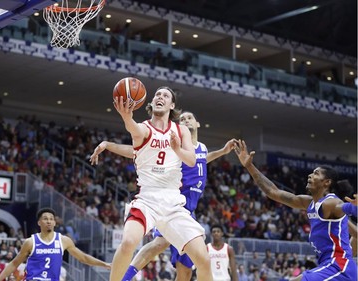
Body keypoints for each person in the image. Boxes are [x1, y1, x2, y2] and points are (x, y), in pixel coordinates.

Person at [90, 111, 235, 280]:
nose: (185, 121)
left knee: (186, 268)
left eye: (189, 118)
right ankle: (126, 276)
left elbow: (202, 159)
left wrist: (223, 152)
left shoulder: (200, 148)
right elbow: (138, 151)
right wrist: (110, 146)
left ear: (197, 124)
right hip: (172, 203)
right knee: (160, 243)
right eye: (182, 119)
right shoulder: (175, 145)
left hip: (190, 208)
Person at [106, 86, 213, 281]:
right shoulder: (145, 127)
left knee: (203, 259)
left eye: (165, 95)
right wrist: (126, 117)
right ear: (151, 102)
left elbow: (191, 160)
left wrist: (177, 149)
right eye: (157, 95)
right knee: (129, 241)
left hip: (173, 201)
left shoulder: (181, 131)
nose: (160, 97)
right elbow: (133, 128)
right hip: (148, 198)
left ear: (172, 105)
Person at [232, 139, 358, 281]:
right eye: (311, 172)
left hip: (338, 267)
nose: (310, 175)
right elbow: (274, 192)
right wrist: (249, 166)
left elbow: (343, 207)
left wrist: (354, 208)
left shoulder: (330, 203)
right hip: (332, 267)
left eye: (316, 173)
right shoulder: (308, 203)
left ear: (327, 182)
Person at [0, 208, 110, 281]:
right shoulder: (30, 242)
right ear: (39, 222)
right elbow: (14, 263)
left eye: (51, 219)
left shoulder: (64, 240)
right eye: (45, 219)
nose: (49, 221)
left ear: (55, 222)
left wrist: (104, 264)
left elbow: (83, 258)